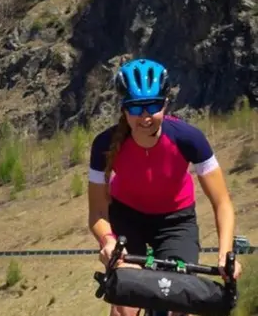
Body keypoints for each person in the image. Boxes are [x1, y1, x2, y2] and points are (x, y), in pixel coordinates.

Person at [87, 58, 243, 316]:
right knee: (126, 304)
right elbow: (98, 212)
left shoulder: (188, 138)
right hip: (127, 219)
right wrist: (108, 241)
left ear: (165, 104)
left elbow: (222, 202)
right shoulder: (104, 144)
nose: (145, 116)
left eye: (153, 106)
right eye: (136, 108)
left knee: (179, 302)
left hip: (175, 221)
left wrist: (225, 254)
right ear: (124, 109)